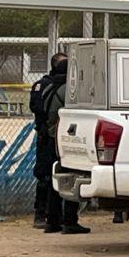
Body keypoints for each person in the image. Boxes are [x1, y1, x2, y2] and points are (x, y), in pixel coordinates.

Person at [39, 55, 89, 235]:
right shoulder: (71, 90)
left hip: (50, 137)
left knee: (55, 178)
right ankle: (70, 220)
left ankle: (52, 220)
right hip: (66, 138)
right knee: (73, 175)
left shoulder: (48, 87)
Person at [28, 52, 68, 229]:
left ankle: (58, 215)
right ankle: (40, 213)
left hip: (55, 135)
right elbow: (36, 107)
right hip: (47, 135)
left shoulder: (62, 87)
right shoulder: (44, 85)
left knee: (59, 174)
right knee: (45, 174)